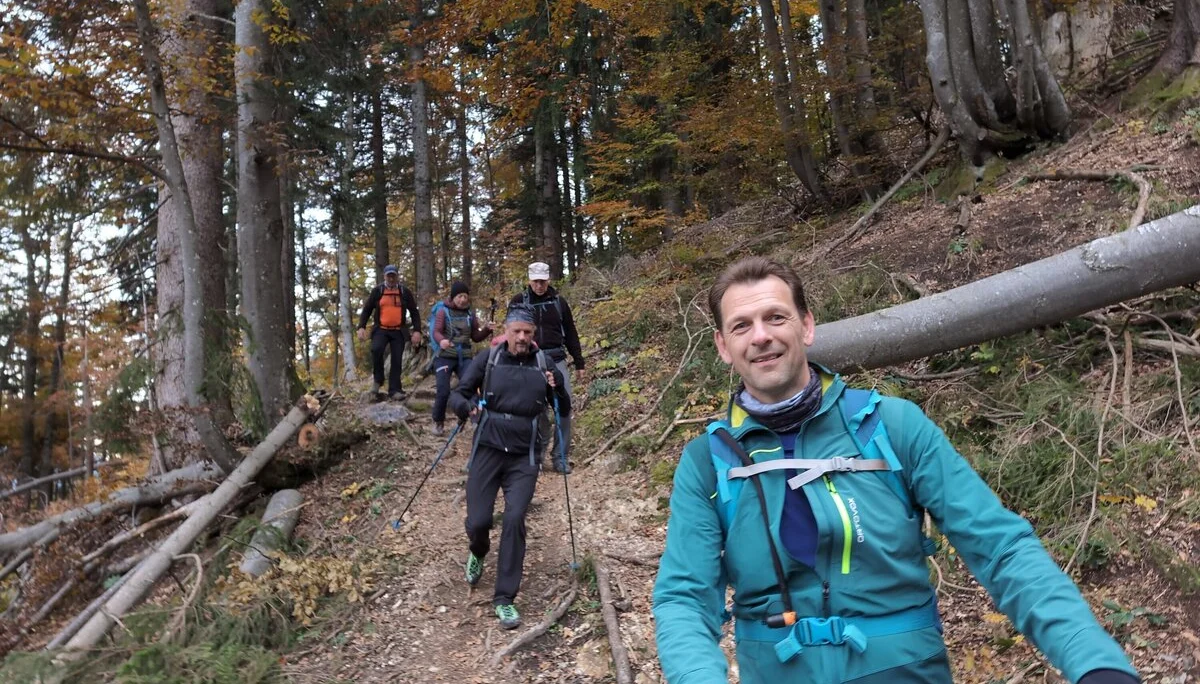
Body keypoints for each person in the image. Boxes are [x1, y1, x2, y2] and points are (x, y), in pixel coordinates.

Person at [652, 257, 1139, 684]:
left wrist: (1093, 661)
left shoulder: (892, 426)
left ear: (806, 326)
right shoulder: (707, 462)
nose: (760, 336)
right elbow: (684, 598)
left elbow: (1000, 546)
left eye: (775, 317)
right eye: (741, 326)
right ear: (721, 345)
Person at [450, 304, 571, 630]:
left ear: (534, 336)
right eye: (516, 331)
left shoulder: (543, 364)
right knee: (478, 521)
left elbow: (564, 408)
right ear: (506, 332)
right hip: (488, 450)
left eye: (527, 333)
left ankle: (504, 598)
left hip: (524, 456)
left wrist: (557, 385)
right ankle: (478, 551)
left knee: (515, 518)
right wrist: (469, 407)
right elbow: (457, 395)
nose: (521, 338)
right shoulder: (488, 359)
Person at [509, 262, 584, 473]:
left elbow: (570, 332)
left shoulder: (559, 302)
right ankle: (538, 454)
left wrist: (579, 362)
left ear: (548, 280)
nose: (539, 285)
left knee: (564, 407)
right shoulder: (518, 301)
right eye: (536, 281)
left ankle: (560, 456)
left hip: (557, 358)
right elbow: (511, 332)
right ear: (530, 280)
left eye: (543, 281)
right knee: (535, 409)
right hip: (529, 360)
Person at [430, 281, 493, 435]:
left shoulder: (470, 315)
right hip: (444, 356)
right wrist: (441, 341)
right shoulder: (442, 312)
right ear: (453, 297)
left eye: (465, 296)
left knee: (473, 388)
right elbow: (436, 331)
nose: (463, 300)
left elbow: (476, 337)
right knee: (443, 390)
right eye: (460, 296)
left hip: (464, 356)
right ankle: (438, 422)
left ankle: (473, 418)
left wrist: (486, 330)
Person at [357, 265, 422, 401]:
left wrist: (417, 331)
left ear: (397, 276)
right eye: (389, 276)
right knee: (376, 350)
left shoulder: (404, 292)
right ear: (384, 276)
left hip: (398, 330)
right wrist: (361, 327)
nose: (391, 278)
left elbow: (414, 312)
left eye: (394, 276)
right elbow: (367, 309)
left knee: (397, 359)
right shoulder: (378, 291)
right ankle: (378, 380)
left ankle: (395, 390)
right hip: (381, 329)